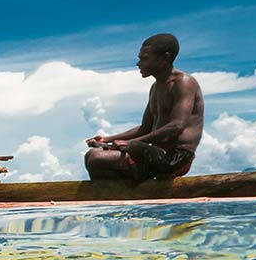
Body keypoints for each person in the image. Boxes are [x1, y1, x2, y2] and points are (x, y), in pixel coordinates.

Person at [84, 33, 204, 181]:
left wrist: (131, 143)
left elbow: (176, 126)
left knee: (107, 155)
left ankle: (141, 179)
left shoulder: (184, 83)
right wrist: (107, 139)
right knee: (92, 156)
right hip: (153, 153)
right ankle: (130, 191)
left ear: (164, 58)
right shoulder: (155, 88)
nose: (138, 63)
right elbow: (145, 128)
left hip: (176, 158)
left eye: (144, 58)